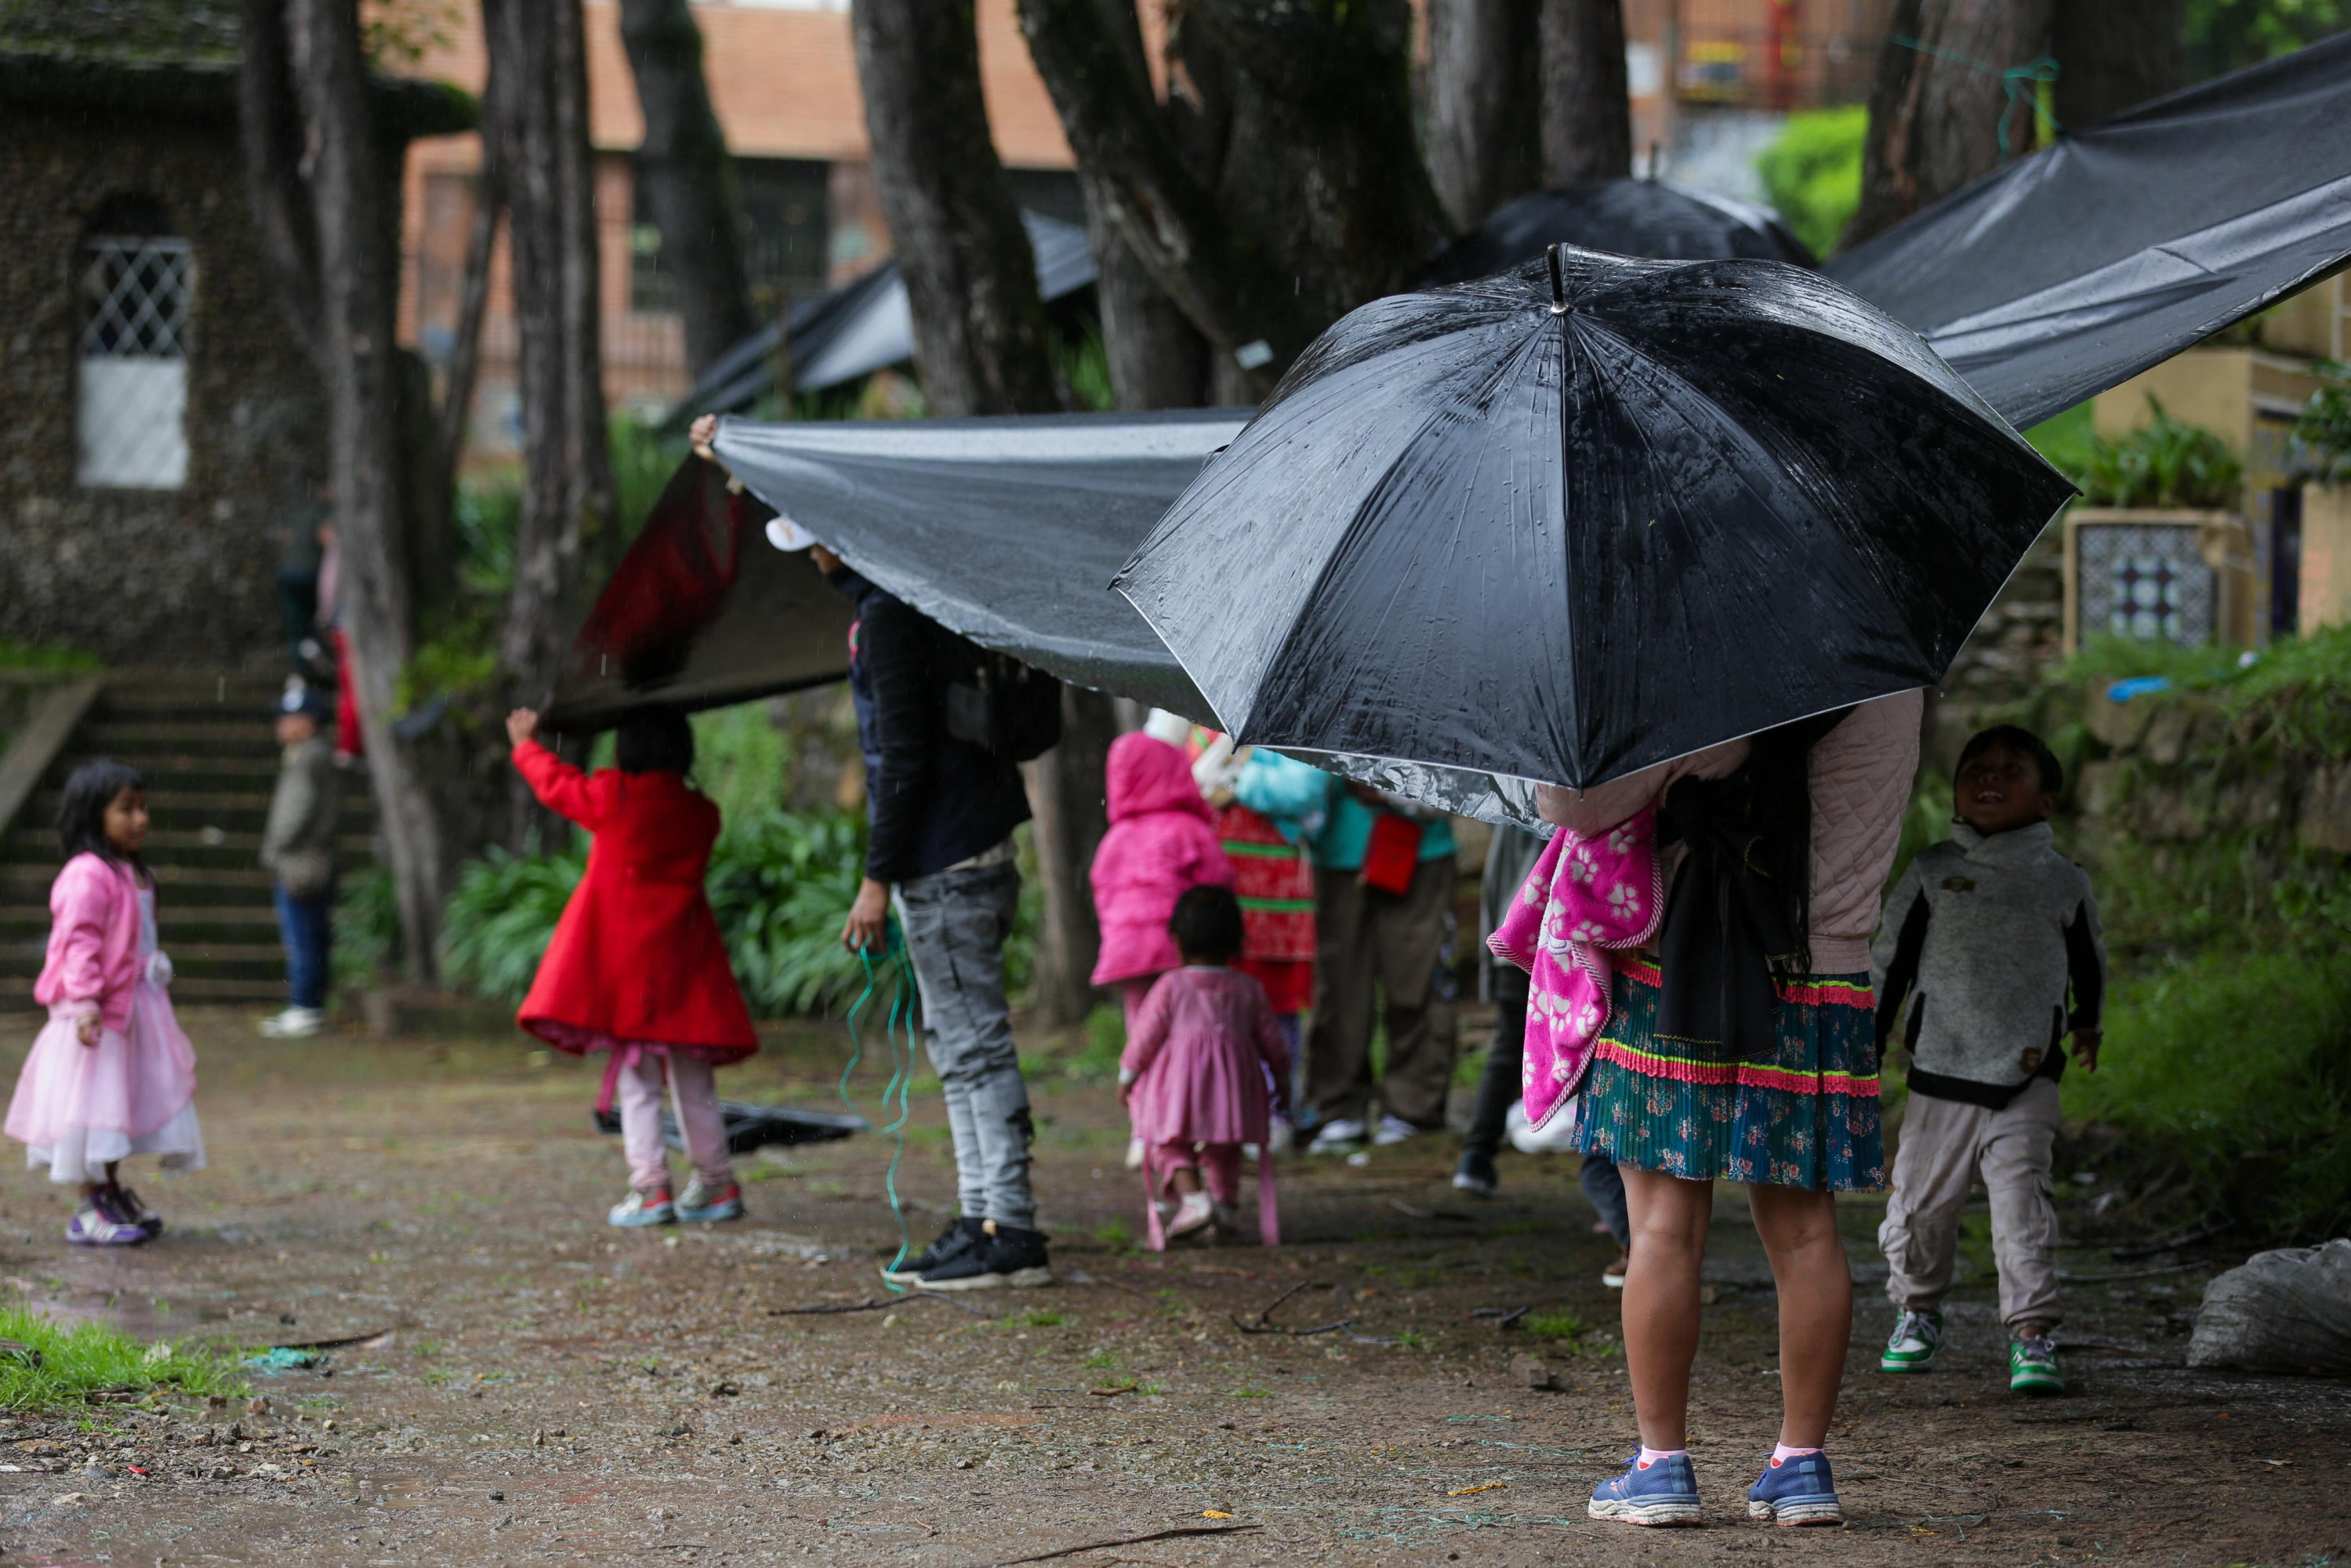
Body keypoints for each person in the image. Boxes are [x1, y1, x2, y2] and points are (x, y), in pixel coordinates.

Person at [688, 409, 1050, 1290]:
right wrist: (737, 462)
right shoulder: (918, 593)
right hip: (974, 847)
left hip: (945, 861)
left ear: (840, 545)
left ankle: (1008, 1226)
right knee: (959, 1042)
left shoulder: (889, 621)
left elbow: (904, 760)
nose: (808, 560)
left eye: (812, 544)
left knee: (971, 1047)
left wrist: (873, 881)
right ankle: (983, 1214)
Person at [1545, 690, 1921, 1530]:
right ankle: (1800, 1465)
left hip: (1674, 966)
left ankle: (1660, 1466)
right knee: (1805, 1231)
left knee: (1662, 1228)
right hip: (1817, 973)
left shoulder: (1696, 662)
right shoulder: (1887, 675)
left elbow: (1576, 804)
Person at [1871, 724, 2106, 1397]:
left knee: (2022, 1205)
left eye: (2010, 770)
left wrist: (2088, 1023)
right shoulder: (1931, 872)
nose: (1988, 779)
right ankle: (1916, 1312)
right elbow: (1892, 962)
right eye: (1974, 770)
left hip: (2027, 1076)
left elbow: (2088, 960)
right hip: (1939, 1075)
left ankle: (2032, 1333)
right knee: (1920, 1206)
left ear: (2046, 802)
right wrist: (1872, 1035)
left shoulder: (2063, 881)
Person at [506, 707, 759, 1229]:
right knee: (695, 1079)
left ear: (624, 752)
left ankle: (650, 1190)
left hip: (627, 971)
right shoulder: (701, 813)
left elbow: (557, 785)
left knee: (638, 1081)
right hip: (686, 964)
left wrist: (525, 745)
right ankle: (717, 1184)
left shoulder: (615, 799)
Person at [6, 760, 204, 1245]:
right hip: (98, 1016)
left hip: (138, 1011)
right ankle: (87, 1202)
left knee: (120, 1108)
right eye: (125, 809)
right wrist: (85, 1002)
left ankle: (110, 1188)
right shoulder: (87, 874)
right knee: (95, 1109)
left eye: (143, 808)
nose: (140, 819)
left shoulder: (135, 873)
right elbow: (79, 941)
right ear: (95, 815)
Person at [1453, 823, 1633, 1279]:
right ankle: (1625, 1219)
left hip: (1537, 929)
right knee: (1586, 1049)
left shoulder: (1525, 787)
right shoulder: (1569, 797)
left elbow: (1497, 882)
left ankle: (1478, 1154)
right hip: (1567, 930)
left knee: (1511, 1041)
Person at [1294, 777, 1460, 1153]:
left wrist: (1387, 790)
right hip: (1337, 850)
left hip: (1421, 848)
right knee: (1338, 987)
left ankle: (1413, 1109)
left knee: (1417, 980)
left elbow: (1462, 779)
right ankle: (1336, 1106)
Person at [1119, 885, 1291, 1247]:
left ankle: (1195, 1200)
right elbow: (1273, 1042)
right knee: (1225, 1149)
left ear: (1177, 938)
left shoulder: (1171, 986)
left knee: (1168, 1144)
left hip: (1179, 1091)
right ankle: (1224, 1208)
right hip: (1234, 1092)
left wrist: (1128, 1076)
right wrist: (1282, 1078)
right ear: (1236, 939)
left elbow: (1145, 1037)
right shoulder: (1249, 988)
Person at [1179, 724, 1318, 1079]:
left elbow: (1305, 790)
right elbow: (1193, 791)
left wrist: (1238, 779)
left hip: (1279, 909)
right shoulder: (1200, 734)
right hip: (1223, 906)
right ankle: (1230, 1105)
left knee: (1278, 1011)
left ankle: (1280, 1107)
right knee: (1221, 1011)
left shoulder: (1287, 731)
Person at [1088, 729, 1235, 1025]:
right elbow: (1219, 886)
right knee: (1189, 1029)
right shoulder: (1188, 831)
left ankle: (1142, 1071)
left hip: (1128, 956)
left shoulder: (1114, 840)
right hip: (1182, 951)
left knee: (1143, 1031)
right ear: (1175, 770)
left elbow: (1102, 893)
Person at [258, 683, 342, 1040]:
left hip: (302, 862)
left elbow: (297, 811)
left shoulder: (310, 756)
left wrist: (275, 848)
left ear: (309, 722)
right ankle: (309, 1004)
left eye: (289, 717)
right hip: (308, 859)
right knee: (309, 935)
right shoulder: (311, 754)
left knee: (303, 936)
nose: (281, 724)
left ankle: (305, 1005)